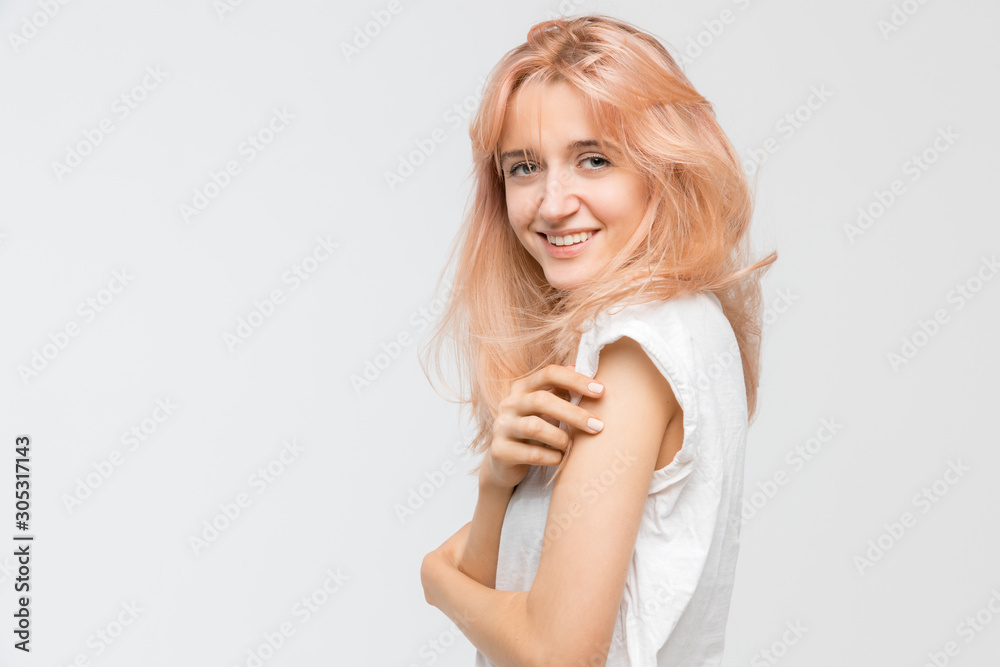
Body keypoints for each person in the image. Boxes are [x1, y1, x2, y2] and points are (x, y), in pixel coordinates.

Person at [419, 13, 777, 666]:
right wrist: (497, 483)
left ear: (662, 168)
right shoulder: (660, 328)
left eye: (594, 160)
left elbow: (557, 654)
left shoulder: (639, 345)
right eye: (524, 167)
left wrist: (434, 579)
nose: (553, 203)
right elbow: (502, 585)